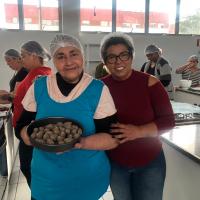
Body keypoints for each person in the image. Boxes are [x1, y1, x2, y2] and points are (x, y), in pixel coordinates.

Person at [15, 34, 119, 200]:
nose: (69, 62)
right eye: (60, 56)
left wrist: (79, 143)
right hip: (46, 181)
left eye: (73, 54)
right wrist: (31, 136)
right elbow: (20, 126)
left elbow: (112, 138)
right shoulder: (39, 86)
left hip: (87, 180)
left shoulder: (98, 89)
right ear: (53, 60)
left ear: (82, 56)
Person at [100, 32, 175, 200]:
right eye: (111, 57)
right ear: (105, 62)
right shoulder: (100, 87)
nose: (118, 61)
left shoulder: (150, 83)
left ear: (132, 56)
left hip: (150, 162)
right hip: (115, 163)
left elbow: (168, 121)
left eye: (123, 55)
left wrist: (138, 131)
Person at [13, 41, 52, 187]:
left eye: (23, 55)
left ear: (34, 55)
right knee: (29, 169)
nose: (20, 59)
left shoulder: (39, 77)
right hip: (25, 130)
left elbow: (40, 105)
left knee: (29, 169)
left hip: (31, 131)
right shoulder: (34, 74)